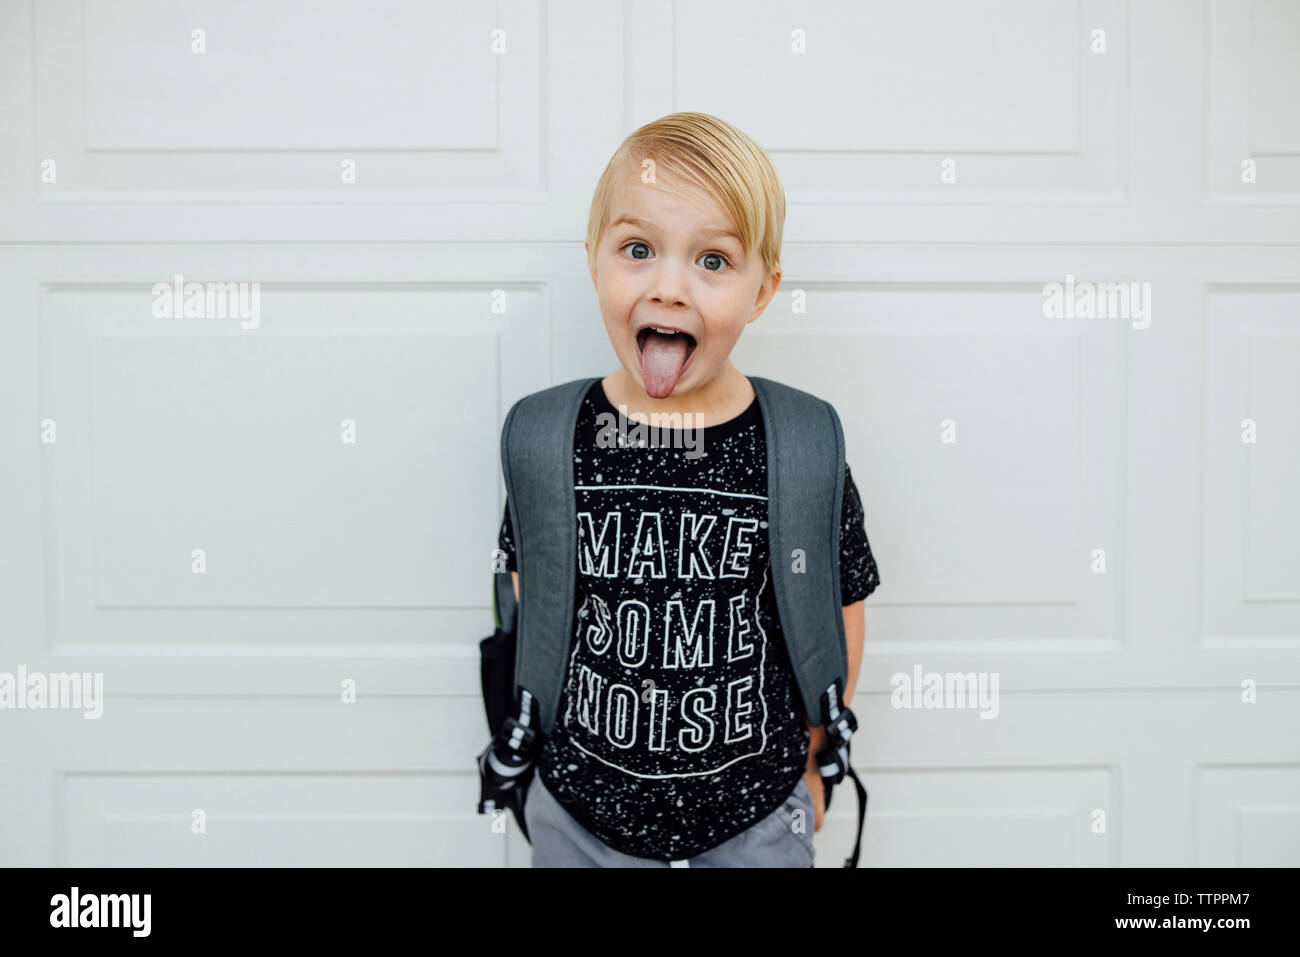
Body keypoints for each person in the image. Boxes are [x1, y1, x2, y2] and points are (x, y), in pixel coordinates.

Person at [496, 112, 881, 867]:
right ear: (593, 259)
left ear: (763, 289)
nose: (669, 288)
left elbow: (840, 613)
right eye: (638, 250)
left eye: (712, 260)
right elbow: (530, 602)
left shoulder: (799, 445)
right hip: (580, 815)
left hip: (756, 817)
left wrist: (812, 765)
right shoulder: (550, 439)